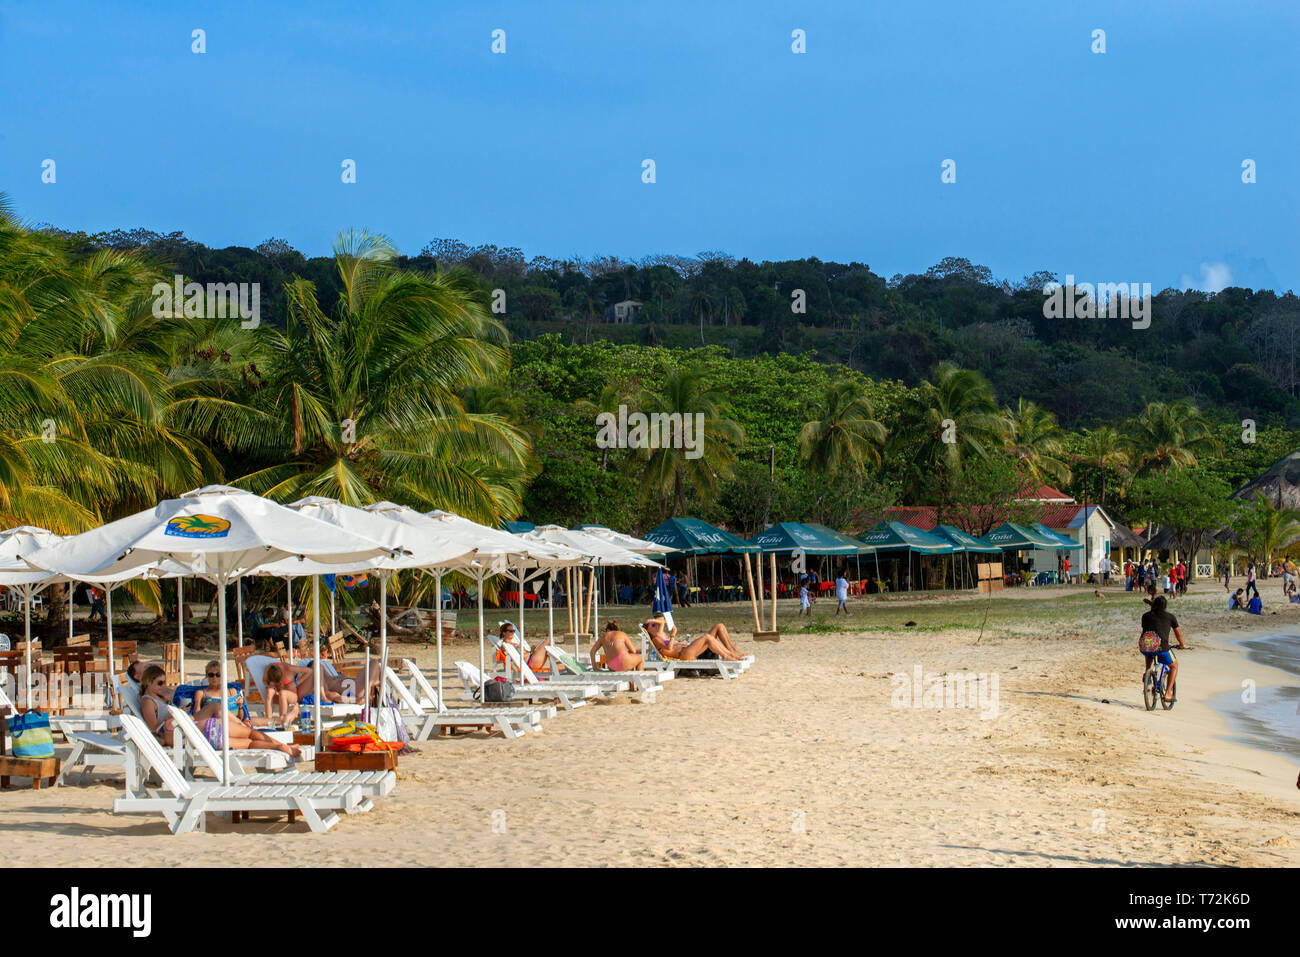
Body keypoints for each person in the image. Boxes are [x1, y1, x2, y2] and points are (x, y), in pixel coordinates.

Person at [1140, 595, 1185, 704]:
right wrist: (1181, 644)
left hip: (1144, 645)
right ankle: (1168, 693)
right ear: (1165, 606)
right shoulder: (1170, 617)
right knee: (1174, 666)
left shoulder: (1145, 616)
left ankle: (1147, 672)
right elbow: (1178, 634)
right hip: (1162, 648)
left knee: (1149, 648)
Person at [644, 615, 745, 662]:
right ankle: (726, 656)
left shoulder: (660, 633)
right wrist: (673, 635)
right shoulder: (656, 640)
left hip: (686, 648)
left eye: (654, 623)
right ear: (648, 630)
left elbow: (662, 622)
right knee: (707, 637)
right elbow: (669, 648)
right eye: (652, 625)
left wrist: (679, 642)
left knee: (719, 626)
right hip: (684, 654)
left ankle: (732, 652)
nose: (655, 625)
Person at [138, 665, 178, 745]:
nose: (163, 686)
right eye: (160, 683)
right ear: (148, 682)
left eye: (164, 682)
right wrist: (173, 718)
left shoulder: (160, 696)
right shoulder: (148, 701)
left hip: (176, 728)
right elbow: (153, 728)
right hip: (169, 733)